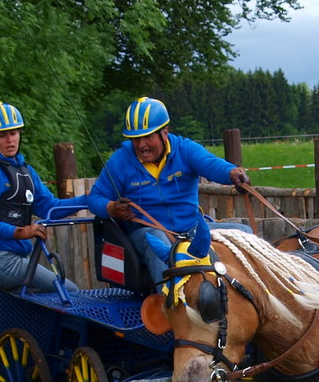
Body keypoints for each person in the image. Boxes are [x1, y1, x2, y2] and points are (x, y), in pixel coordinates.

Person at [87, 97, 252, 285]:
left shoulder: (184, 149)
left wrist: (231, 173)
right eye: (135, 139)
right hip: (146, 231)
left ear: (165, 133)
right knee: (157, 242)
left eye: (147, 137)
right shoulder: (120, 161)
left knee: (244, 234)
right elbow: (95, 198)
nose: (141, 145)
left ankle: (248, 299)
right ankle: (172, 306)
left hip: (191, 229)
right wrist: (110, 208)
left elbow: (210, 163)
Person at [0, 101, 88, 291]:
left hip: (19, 258)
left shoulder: (25, 170)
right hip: (0, 260)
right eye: (2, 135)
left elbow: (49, 208)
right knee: (70, 291)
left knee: (49, 300)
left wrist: (87, 200)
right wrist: (19, 232)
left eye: (14, 133)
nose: (10, 140)